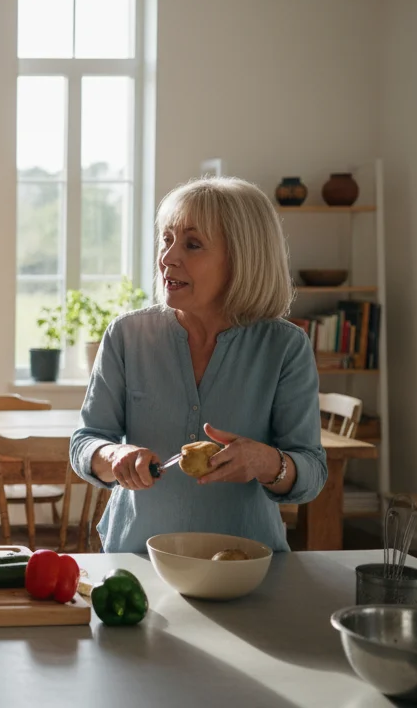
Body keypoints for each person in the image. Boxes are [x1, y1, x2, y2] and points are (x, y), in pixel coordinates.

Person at [71, 176, 328, 553]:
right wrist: (113, 456)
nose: (168, 257)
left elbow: (312, 472)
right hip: (136, 560)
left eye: (192, 244)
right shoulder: (126, 335)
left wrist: (268, 462)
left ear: (243, 258)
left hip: (247, 566)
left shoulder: (286, 347)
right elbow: (85, 442)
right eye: (167, 239)